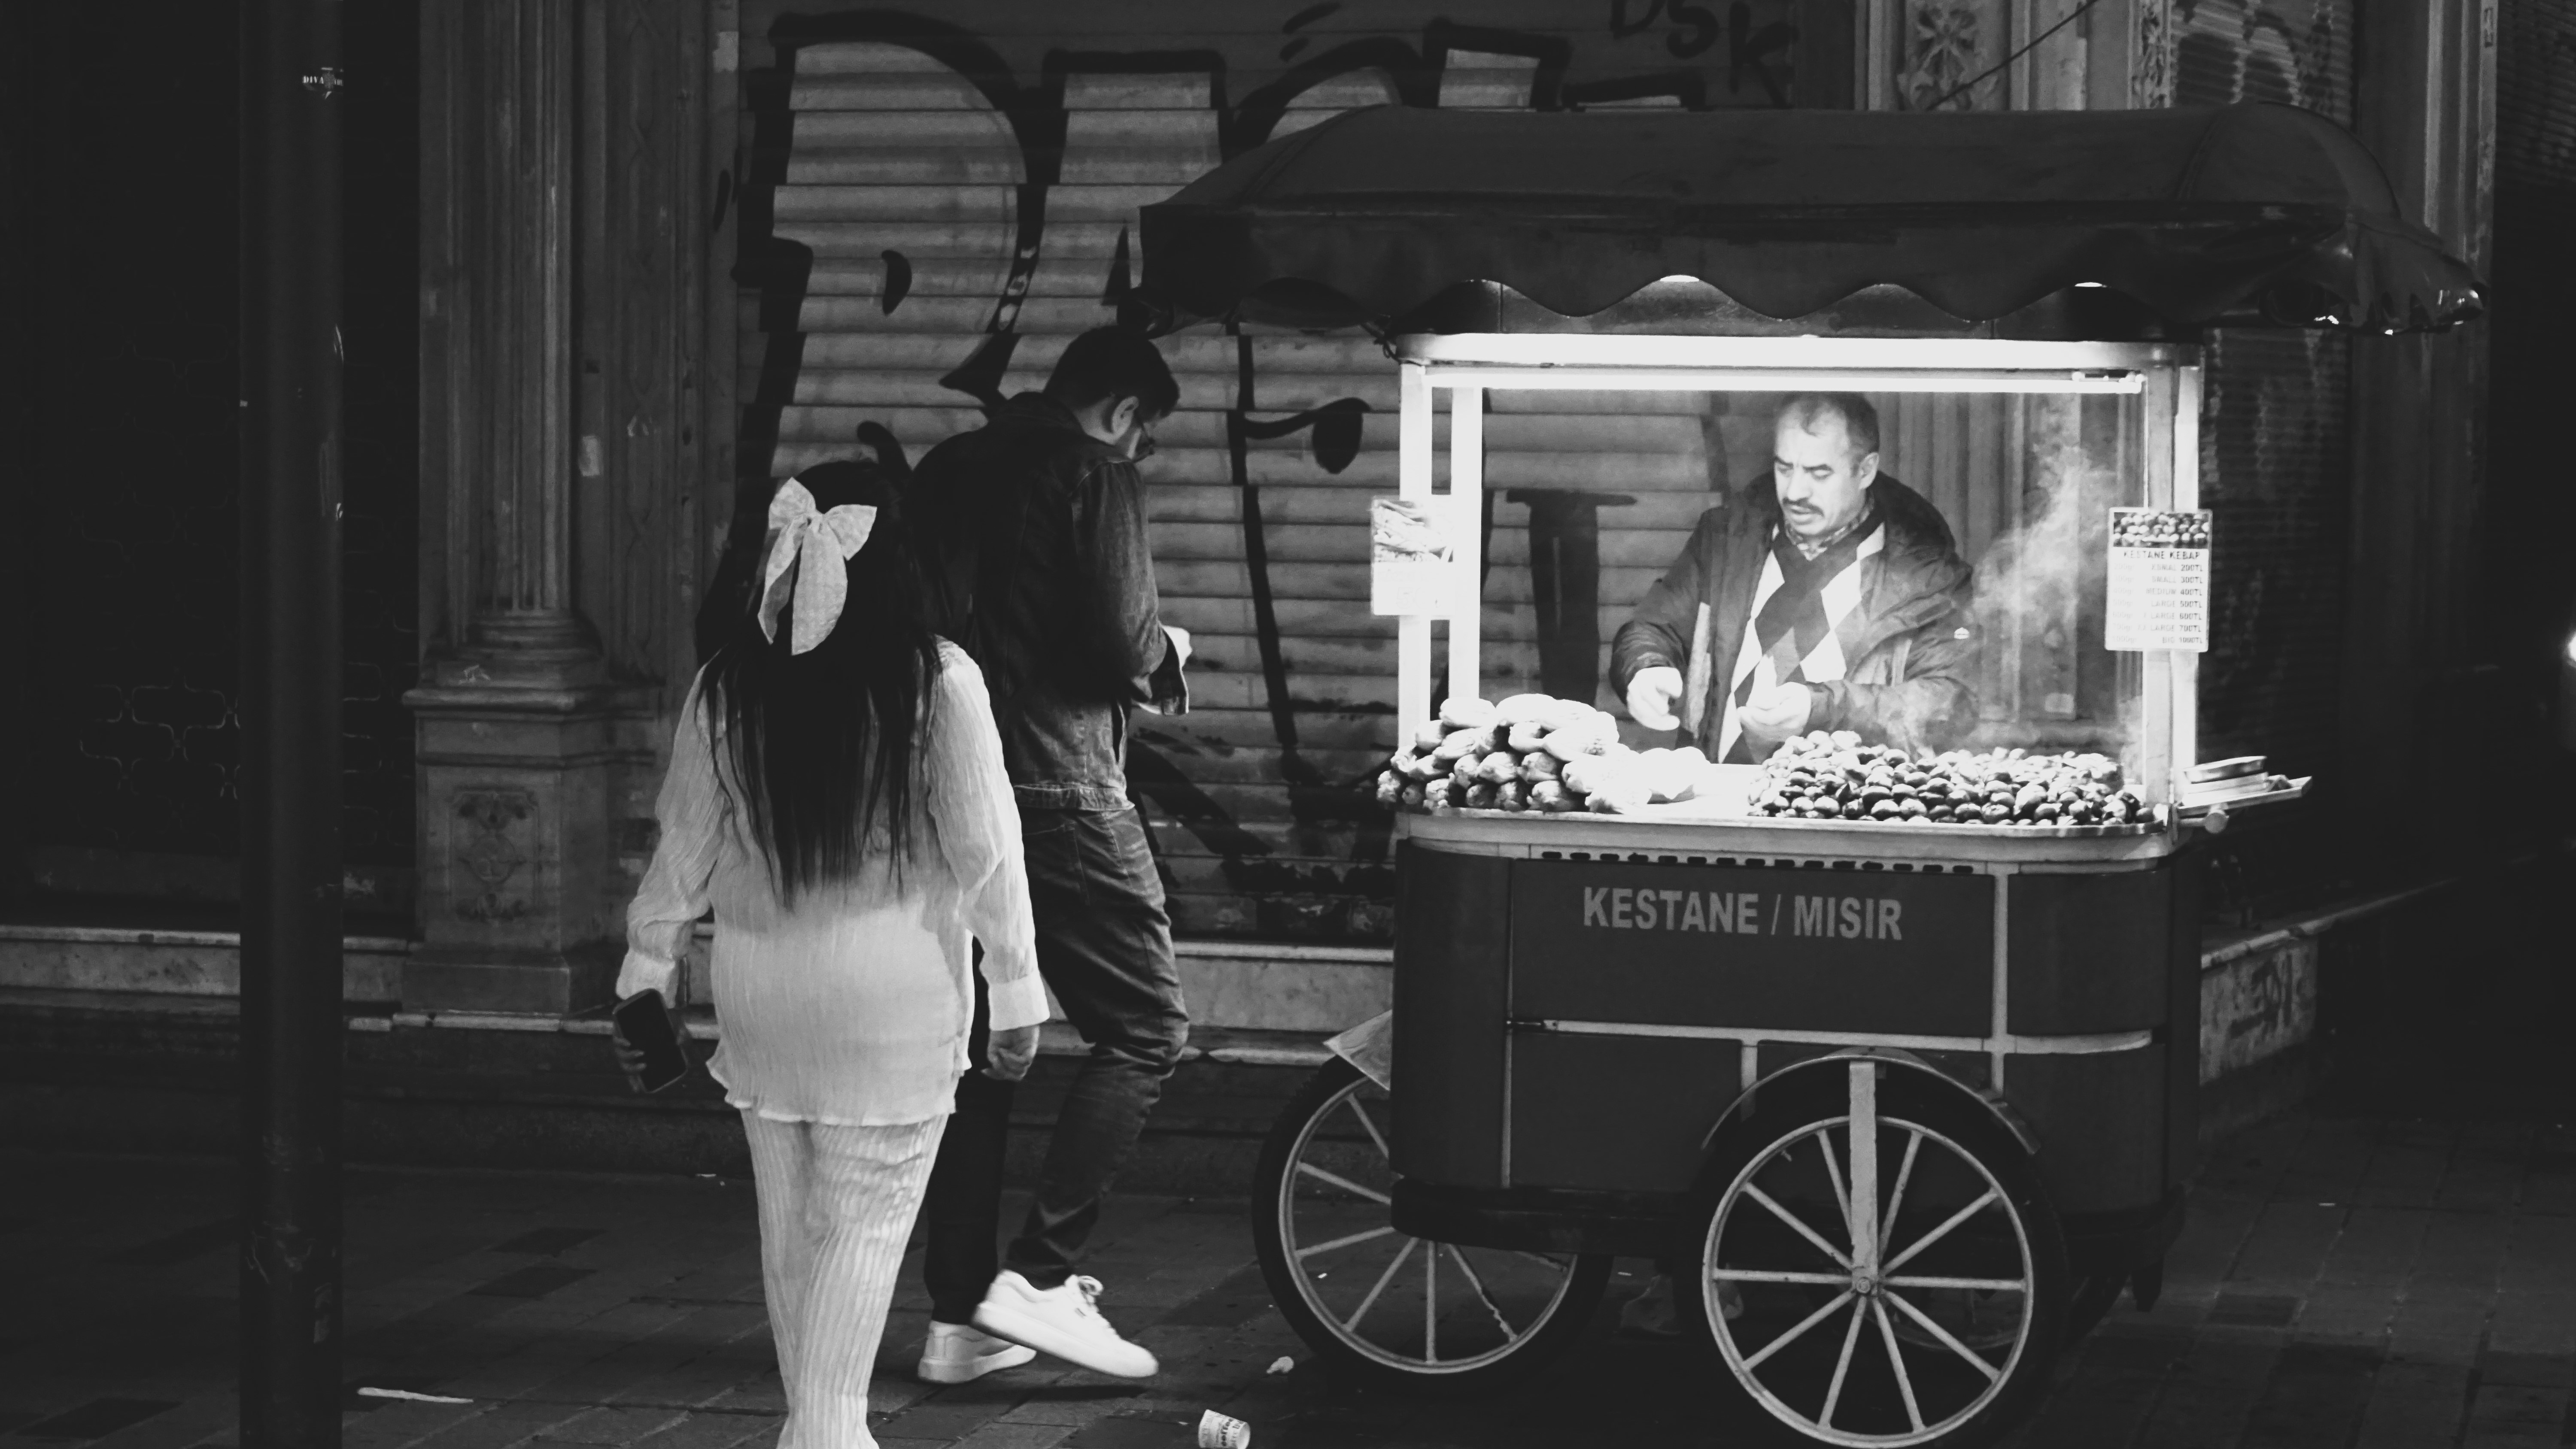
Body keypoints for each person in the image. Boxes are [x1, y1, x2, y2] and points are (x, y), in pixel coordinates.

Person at [614, 462, 1050, 1445]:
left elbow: (683, 845)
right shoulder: (937, 679)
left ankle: (817, 1428)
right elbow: (989, 855)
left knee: (796, 1232)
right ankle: (826, 1434)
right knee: (862, 1228)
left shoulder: (728, 681)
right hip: (890, 1001)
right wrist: (1016, 988)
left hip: (761, 995)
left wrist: (646, 970)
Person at [899, 327, 1192, 1383]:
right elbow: (1121, 642)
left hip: (948, 786)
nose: (1140, 451)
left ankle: (958, 1319)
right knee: (1146, 1025)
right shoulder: (1090, 472)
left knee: (986, 1048)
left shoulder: (948, 466)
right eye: (1143, 434)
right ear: (1121, 412)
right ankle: (1043, 1273)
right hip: (1059, 785)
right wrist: (1167, 656)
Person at [1612, 392, 1978, 764]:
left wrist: (1821, 709)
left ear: (1865, 470)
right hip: (1720, 799)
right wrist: (1644, 666)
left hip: (1847, 807)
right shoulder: (1725, 539)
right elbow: (1656, 625)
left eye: (1819, 474)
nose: (1795, 492)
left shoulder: (1929, 573)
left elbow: (1951, 702)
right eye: (1785, 468)